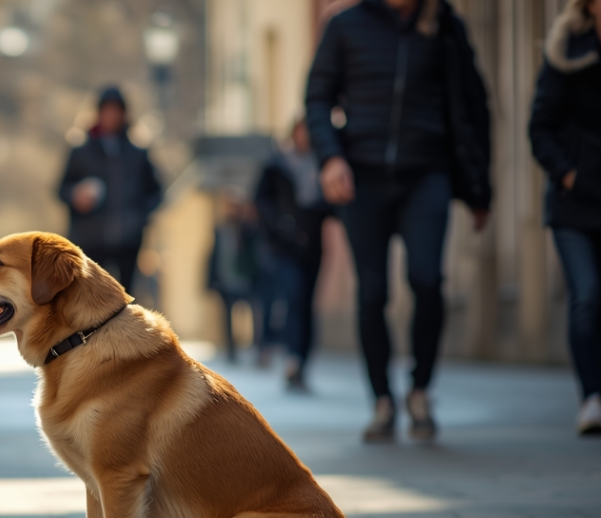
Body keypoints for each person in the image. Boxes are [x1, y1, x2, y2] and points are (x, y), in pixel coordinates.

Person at [306, 0, 491, 442]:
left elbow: (473, 104)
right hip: (362, 178)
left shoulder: (445, 25)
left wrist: (480, 187)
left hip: (428, 173)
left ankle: (421, 389)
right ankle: (383, 401)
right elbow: (318, 97)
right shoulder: (345, 25)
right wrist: (331, 158)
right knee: (373, 293)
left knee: (428, 279)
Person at [529, 0, 601, 435]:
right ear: (590, 5)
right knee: (587, 295)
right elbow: (540, 127)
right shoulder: (565, 52)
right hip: (575, 202)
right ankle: (590, 397)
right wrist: (568, 173)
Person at [255, 118, 336, 393]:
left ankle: (302, 362)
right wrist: (279, 226)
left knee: (307, 304)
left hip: (312, 246)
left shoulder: (323, 165)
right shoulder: (277, 165)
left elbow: (332, 204)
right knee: (294, 298)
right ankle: (292, 359)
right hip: (284, 247)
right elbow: (261, 201)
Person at [57, 86, 163, 294]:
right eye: (107, 110)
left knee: (125, 298)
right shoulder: (81, 151)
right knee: (91, 297)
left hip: (128, 241)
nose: (111, 116)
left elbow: (156, 192)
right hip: (90, 239)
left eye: (116, 111)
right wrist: (75, 196)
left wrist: (139, 217)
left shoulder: (137, 154)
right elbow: (61, 189)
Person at [207, 194, 264, 364]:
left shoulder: (248, 229)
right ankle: (232, 350)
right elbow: (213, 256)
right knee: (227, 318)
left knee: (254, 315)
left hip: (247, 280)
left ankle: (258, 348)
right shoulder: (220, 229)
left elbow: (256, 253)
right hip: (225, 281)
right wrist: (211, 280)